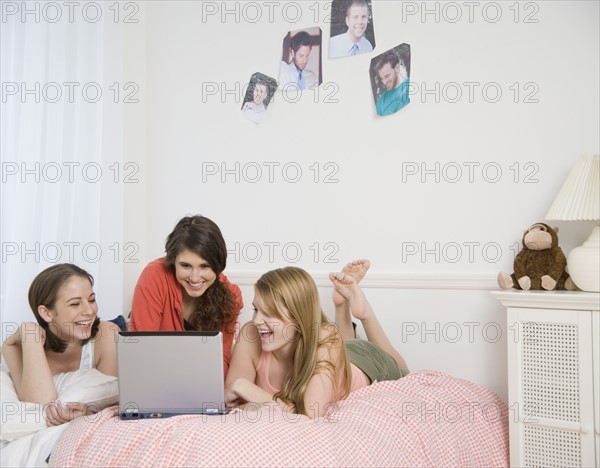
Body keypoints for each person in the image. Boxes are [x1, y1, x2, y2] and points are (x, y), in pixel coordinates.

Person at [225, 259, 408, 418]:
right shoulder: (250, 334)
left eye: (269, 313)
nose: (256, 321)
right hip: (331, 355)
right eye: (256, 309)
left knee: (403, 370)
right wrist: (253, 396)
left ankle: (364, 312)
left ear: (297, 317)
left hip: (364, 361)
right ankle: (342, 305)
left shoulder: (326, 338)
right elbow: (232, 405)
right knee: (339, 344)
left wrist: (245, 387)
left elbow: (309, 414)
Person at [1, 263, 119, 426]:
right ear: (46, 313)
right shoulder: (22, 346)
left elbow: (111, 399)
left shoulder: (107, 335)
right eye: (75, 304)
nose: (89, 311)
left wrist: (87, 413)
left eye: (91, 300)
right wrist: (29, 335)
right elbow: (39, 409)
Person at [130, 215, 243, 376]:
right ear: (173, 261)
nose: (195, 277)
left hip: (196, 380)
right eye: (185, 266)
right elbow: (142, 351)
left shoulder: (231, 296)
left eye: (205, 266)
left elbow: (221, 360)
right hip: (156, 373)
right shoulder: (154, 276)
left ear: (218, 265)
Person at [374, 49, 410, 116]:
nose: (384, 82)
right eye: (382, 78)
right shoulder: (381, 102)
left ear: (397, 68)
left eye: (387, 76)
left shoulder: (410, 86)